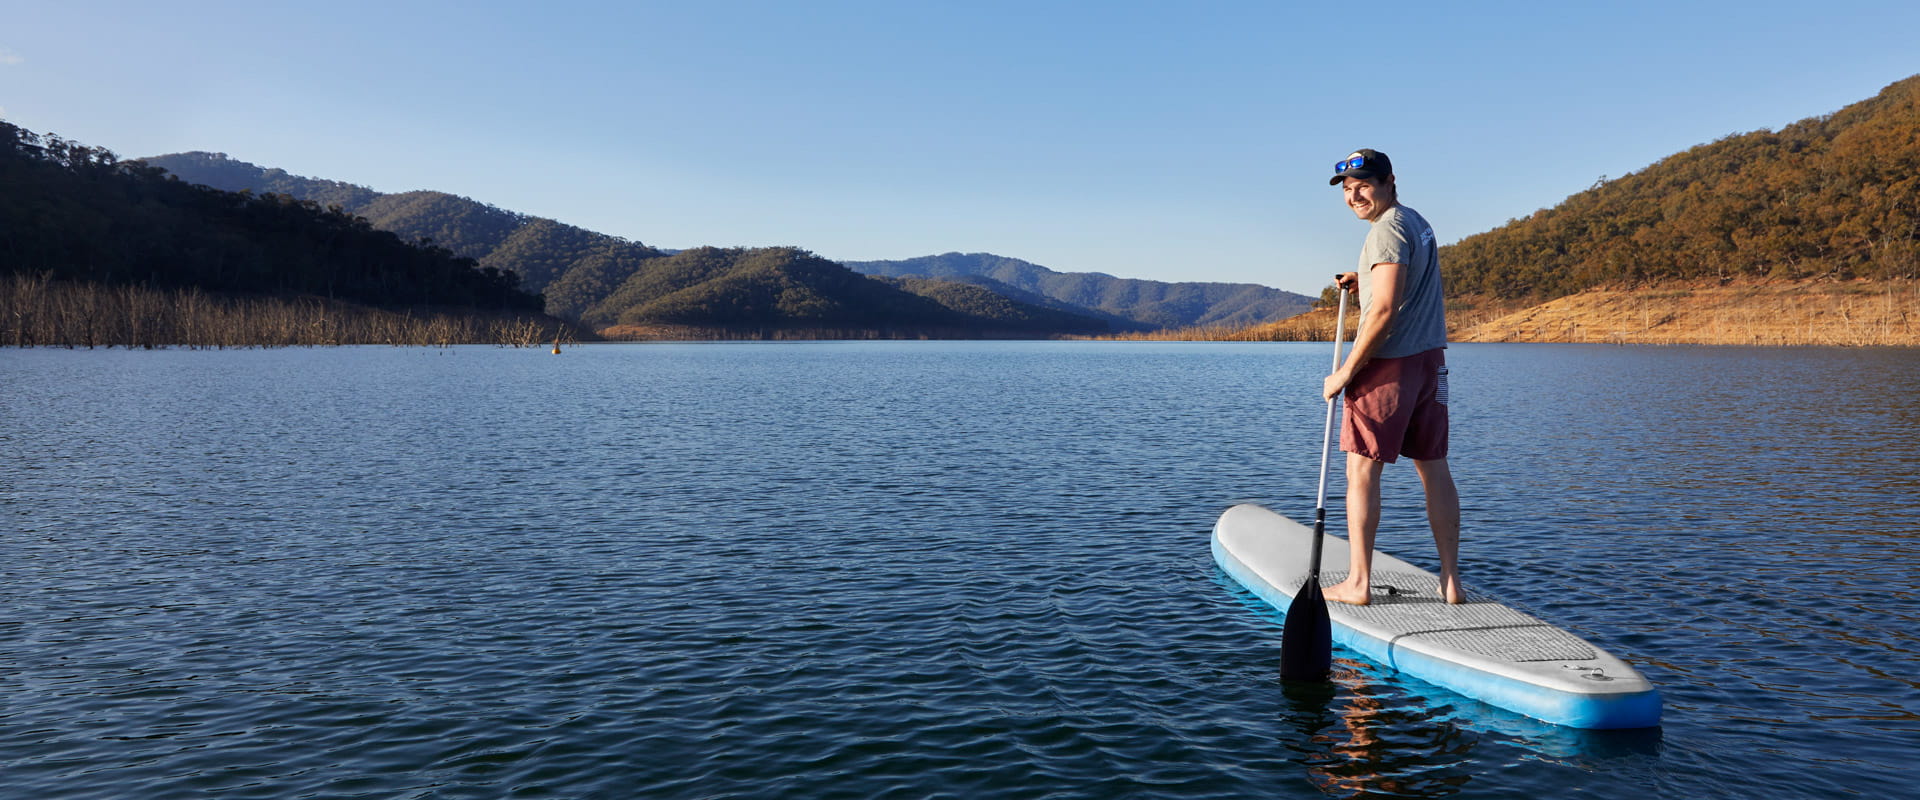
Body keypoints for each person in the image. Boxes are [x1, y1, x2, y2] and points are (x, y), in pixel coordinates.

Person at [1319, 148, 1463, 605]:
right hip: (1428, 363)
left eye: (1364, 185)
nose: (1355, 195)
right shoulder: (1415, 223)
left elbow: (1383, 311)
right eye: (1347, 188)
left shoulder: (1384, 232)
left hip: (1388, 365)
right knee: (1433, 467)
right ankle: (1451, 582)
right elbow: (1403, 283)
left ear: (1388, 182)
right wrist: (1363, 276)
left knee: (1361, 470)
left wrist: (1345, 372)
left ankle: (1358, 583)